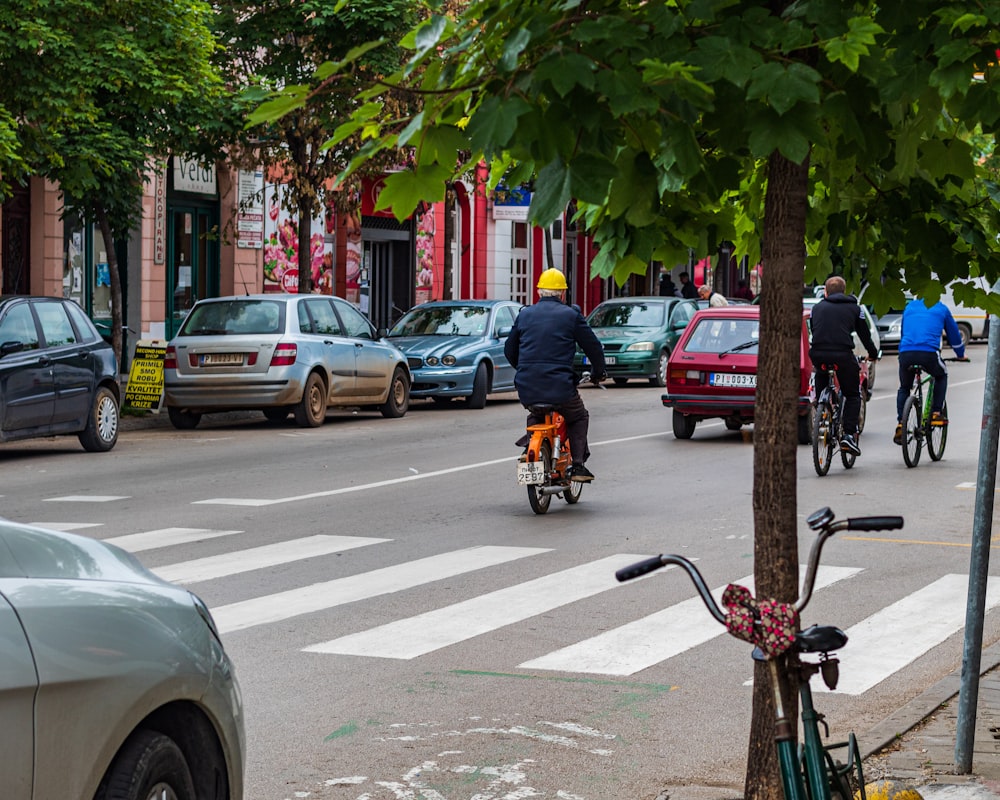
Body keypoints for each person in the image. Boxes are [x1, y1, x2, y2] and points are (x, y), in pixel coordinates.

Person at [505, 268, 606, 482]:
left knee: (536, 413)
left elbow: (509, 350)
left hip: (527, 386)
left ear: (539, 292)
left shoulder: (524, 314)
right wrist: (599, 372)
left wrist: (524, 369)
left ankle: (531, 449)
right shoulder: (571, 315)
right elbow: (593, 347)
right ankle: (577, 466)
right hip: (560, 388)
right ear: (562, 294)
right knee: (578, 416)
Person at [809, 276, 879, 457]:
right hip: (842, 355)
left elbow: (815, 330)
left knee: (821, 374)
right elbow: (864, 334)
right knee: (853, 394)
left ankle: (822, 409)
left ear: (825, 291)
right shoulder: (854, 309)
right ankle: (848, 434)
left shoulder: (816, 308)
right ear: (844, 290)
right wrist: (873, 353)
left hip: (818, 354)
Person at [894, 296, 967, 445]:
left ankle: (901, 422)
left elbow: (904, 332)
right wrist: (960, 354)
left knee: (904, 387)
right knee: (941, 375)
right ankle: (935, 413)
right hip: (928, 353)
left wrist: (903, 351)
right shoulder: (941, 308)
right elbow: (954, 334)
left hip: (906, 352)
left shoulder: (909, 307)